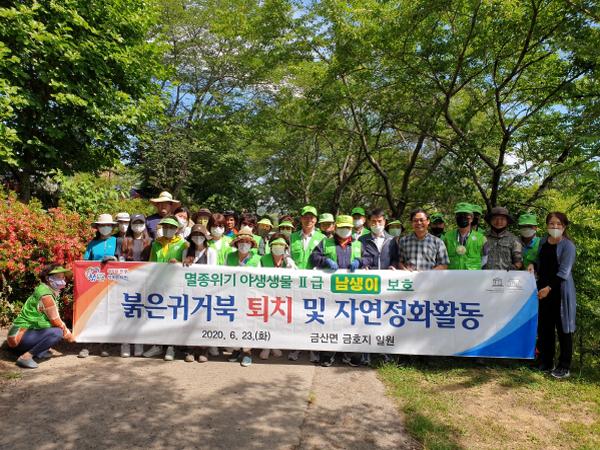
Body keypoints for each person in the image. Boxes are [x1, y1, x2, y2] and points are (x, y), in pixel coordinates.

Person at [310, 215, 363, 367]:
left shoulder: (358, 244)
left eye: (347, 227)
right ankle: (328, 353)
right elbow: (314, 257)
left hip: (352, 290)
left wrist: (359, 261)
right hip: (331, 291)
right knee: (330, 321)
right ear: (335, 228)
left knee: (351, 322)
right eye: (341, 227)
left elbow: (369, 259)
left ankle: (350, 354)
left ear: (352, 228)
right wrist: (325, 260)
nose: (344, 230)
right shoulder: (325, 242)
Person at [7, 265, 75, 369]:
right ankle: (26, 357)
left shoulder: (43, 289)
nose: (62, 280)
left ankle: (39, 352)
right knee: (57, 332)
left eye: (63, 277)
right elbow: (56, 321)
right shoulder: (46, 295)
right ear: (48, 278)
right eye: (59, 277)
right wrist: (68, 335)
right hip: (18, 338)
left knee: (55, 329)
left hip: (18, 335)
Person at [536, 212, 576, 379]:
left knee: (563, 329)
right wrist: (532, 267)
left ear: (564, 226)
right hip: (543, 291)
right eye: (552, 223)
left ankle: (564, 366)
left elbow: (564, 272)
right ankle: (546, 362)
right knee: (545, 327)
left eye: (559, 224)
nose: (555, 226)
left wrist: (548, 288)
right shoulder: (543, 241)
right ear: (547, 225)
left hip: (560, 291)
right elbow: (539, 263)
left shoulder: (568, 246)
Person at [144, 217, 189, 361]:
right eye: (166, 227)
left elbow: (187, 264)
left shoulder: (183, 244)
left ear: (177, 229)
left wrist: (179, 262)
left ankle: (171, 347)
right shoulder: (156, 244)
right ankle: (157, 345)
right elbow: (151, 262)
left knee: (172, 315)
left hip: (175, 284)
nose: (168, 230)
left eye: (171, 227)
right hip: (158, 283)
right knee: (158, 314)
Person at [226, 226, 261, 367]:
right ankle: (236, 349)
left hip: (250, 297)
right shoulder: (230, 256)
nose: (244, 244)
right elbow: (224, 274)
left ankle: (247, 352)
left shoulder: (257, 259)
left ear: (251, 244)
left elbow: (260, 280)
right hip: (233, 295)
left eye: (247, 242)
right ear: (236, 243)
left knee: (248, 324)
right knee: (234, 323)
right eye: (241, 241)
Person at [182, 224, 218, 362]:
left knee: (204, 321)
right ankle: (190, 349)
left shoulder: (211, 252)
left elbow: (213, 272)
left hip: (206, 292)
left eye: (200, 235)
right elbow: (183, 271)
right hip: (190, 292)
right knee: (190, 321)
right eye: (195, 235)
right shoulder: (186, 251)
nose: (198, 238)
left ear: (205, 237)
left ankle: (204, 350)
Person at [118, 213, 152, 358]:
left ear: (144, 225)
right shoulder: (124, 240)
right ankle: (125, 343)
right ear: (131, 225)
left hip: (144, 282)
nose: (138, 226)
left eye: (140, 223)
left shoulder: (150, 242)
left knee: (140, 313)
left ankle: (139, 342)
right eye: (135, 223)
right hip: (127, 282)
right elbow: (120, 259)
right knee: (126, 312)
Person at [257, 235, 292, 361]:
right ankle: (266, 347)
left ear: (285, 248)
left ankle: (275, 344)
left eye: (281, 245)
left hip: (282, 296)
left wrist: (291, 265)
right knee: (266, 321)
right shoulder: (262, 259)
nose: (278, 248)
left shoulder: (288, 261)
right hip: (266, 295)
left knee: (278, 322)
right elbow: (257, 276)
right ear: (270, 247)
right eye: (275, 245)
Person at [442, 202, 487, 270]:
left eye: (466, 215)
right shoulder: (447, 237)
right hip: (452, 275)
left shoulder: (482, 238)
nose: (462, 218)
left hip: (473, 275)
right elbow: (442, 258)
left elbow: (486, 258)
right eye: (459, 215)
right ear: (455, 217)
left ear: (472, 218)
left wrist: (478, 270)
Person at [290, 205, 325, 270]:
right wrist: (289, 261)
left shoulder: (323, 238)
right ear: (301, 219)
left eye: (311, 217)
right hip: (295, 275)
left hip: (314, 275)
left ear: (316, 220)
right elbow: (287, 255)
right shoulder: (292, 237)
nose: (308, 220)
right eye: (305, 217)